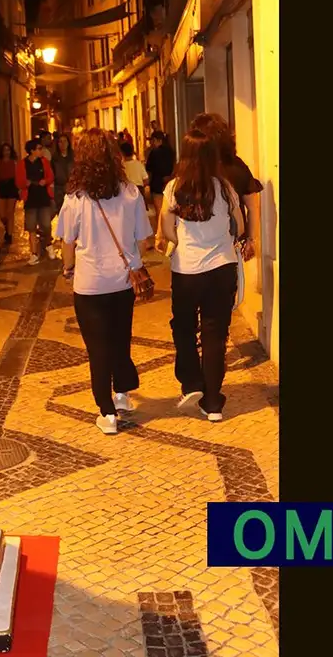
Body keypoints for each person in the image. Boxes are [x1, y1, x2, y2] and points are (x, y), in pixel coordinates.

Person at [57, 128, 155, 435]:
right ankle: (123, 394)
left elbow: (67, 242)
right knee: (119, 339)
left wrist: (68, 268)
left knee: (98, 348)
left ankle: (107, 412)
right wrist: (134, 264)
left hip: (89, 285)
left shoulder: (75, 198)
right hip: (122, 283)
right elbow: (145, 241)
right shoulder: (130, 193)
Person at [159, 129, 245, 422]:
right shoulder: (224, 187)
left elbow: (167, 230)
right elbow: (241, 227)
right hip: (221, 268)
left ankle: (192, 383)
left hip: (187, 270)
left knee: (183, 327)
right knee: (215, 334)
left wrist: (183, 241)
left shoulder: (174, 188)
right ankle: (213, 403)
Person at [190, 113, 262, 261]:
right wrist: (250, 240)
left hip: (196, 246)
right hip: (230, 244)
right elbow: (253, 207)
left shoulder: (192, 169)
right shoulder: (237, 165)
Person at [16, 138, 55, 265]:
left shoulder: (44, 162)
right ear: (32, 151)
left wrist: (46, 181)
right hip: (30, 199)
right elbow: (18, 181)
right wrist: (24, 184)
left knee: (46, 225)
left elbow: (50, 176)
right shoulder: (22, 164)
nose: (41, 151)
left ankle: (48, 244)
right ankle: (33, 253)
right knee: (31, 227)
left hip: (43, 197)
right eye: (39, 149)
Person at [145, 130, 175, 243]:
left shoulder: (154, 152)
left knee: (159, 209)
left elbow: (149, 168)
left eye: (153, 140)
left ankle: (160, 233)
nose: (152, 143)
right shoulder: (171, 151)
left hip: (157, 184)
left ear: (158, 140)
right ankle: (169, 231)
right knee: (169, 209)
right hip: (168, 182)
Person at [0, 142, 20, 247]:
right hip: (2, 187)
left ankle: (9, 234)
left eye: (8, 150)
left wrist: (19, 189)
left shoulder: (15, 162)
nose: (6, 152)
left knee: (10, 212)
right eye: (4, 150)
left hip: (12, 187)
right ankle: (7, 227)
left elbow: (17, 175)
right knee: (2, 214)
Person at [50, 133, 74, 217]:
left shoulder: (73, 157)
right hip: (59, 188)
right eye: (60, 142)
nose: (63, 144)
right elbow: (52, 173)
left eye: (65, 141)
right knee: (61, 211)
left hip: (72, 187)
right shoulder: (55, 158)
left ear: (68, 143)